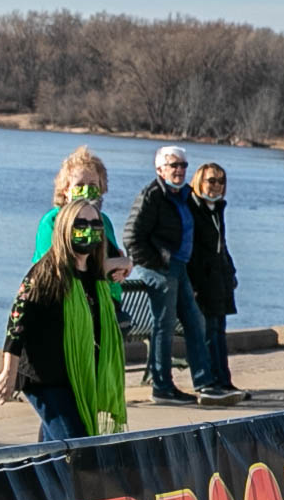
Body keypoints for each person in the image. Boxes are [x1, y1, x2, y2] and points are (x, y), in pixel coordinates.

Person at [0, 199, 128, 442]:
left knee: (54, 450)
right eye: (80, 224)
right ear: (65, 228)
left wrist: (125, 265)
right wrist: (9, 373)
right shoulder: (47, 272)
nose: (89, 229)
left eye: (95, 224)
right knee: (77, 444)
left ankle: (40, 468)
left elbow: (121, 261)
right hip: (44, 378)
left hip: (76, 376)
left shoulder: (95, 275)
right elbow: (17, 323)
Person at [123, 145, 238, 407]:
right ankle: (162, 387)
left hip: (180, 267)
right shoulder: (151, 196)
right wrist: (158, 263)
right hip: (160, 268)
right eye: (173, 165)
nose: (179, 170)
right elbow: (131, 237)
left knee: (195, 322)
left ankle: (206, 384)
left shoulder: (184, 195)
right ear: (159, 169)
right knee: (164, 326)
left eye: (183, 165)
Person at [188, 161, 244, 397]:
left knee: (219, 331)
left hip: (219, 279)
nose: (217, 185)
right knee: (208, 332)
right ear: (199, 181)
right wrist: (193, 282)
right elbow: (192, 249)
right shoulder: (192, 207)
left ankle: (224, 380)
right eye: (211, 180)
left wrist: (230, 272)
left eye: (221, 181)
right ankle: (209, 380)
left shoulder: (217, 209)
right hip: (201, 280)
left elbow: (221, 246)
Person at [34, 145, 133, 277]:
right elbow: (54, 268)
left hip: (106, 289)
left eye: (92, 185)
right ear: (66, 190)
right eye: (79, 185)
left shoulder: (103, 221)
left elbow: (115, 259)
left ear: (101, 188)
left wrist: (124, 268)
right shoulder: (52, 221)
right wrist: (111, 265)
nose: (86, 191)